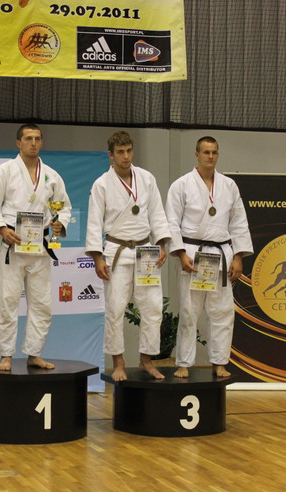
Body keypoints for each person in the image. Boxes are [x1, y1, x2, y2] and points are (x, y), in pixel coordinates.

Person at [0, 123, 71, 371]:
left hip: (40, 245)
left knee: (42, 303)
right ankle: (6, 355)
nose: (33, 143)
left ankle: (34, 353)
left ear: (41, 142)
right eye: (28, 138)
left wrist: (59, 222)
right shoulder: (4, 171)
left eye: (37, 138)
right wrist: (2, 229)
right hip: (13, 243)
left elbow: (64, 206)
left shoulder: (52, 175)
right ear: (18, 143)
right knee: (8, 301)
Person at [86, 130, 171, 381]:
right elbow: (94, 223)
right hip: (116, 250)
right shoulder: (102, 184)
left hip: (145, 252)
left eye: (129, 151)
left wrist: (162, 243)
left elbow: (157, 214)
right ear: (111, 155)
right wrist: (97, 258)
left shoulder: (146, 178)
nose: (126, 156)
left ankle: (146, 360)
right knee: (115, 310)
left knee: (153, 308)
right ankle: (119, 363)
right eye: (120, 152)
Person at [166, 136, 253, 378]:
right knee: (188, 312)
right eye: (206, 152)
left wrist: (238, 256)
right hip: (192, 255)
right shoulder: (181, 185)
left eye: (214, 152)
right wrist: (180, 253)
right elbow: (171, 222)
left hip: (221, 255)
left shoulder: (229, 185)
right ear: (197, 155)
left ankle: (219, 362)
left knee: (222, 312)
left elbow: (239, 222)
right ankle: (184, 363)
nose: (210, 156)